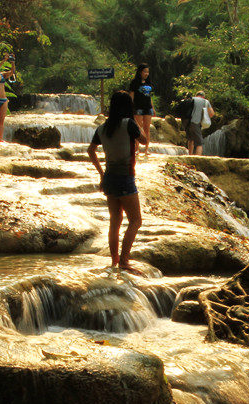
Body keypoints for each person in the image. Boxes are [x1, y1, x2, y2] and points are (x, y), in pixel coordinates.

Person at [88, 91, 149, 275]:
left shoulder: (103, 128)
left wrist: (101, 173)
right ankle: (124, 261)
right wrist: (137, 120)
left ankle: (114, 260)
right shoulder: (129, 124)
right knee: (136, 220)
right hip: (125, 176)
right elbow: (145, 140)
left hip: (109, 177)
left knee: (115, 221)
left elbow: (90, 150)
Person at [129, 64, 153, 156]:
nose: (146, 74)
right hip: (138, 107)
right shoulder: (134, 82)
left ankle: (146, 150)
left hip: (148, 107)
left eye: (148, 72)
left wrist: (152, 108)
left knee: (147, 128)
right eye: (145, 72)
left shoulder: (149, 82)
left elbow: (149, 96)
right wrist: (130, 106)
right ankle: (137, 148)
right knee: (138, 128)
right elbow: (131, 95)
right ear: (140, 72)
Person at [186, 90, 215, 156]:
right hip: (196, 122)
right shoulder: (205, 101)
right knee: (199, 143)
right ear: (203, 97)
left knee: (190, 139)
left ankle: (189, 155)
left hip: (187, 122)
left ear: (196, 95)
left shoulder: (191, 99)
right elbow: (212, 114)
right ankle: (198, 158)